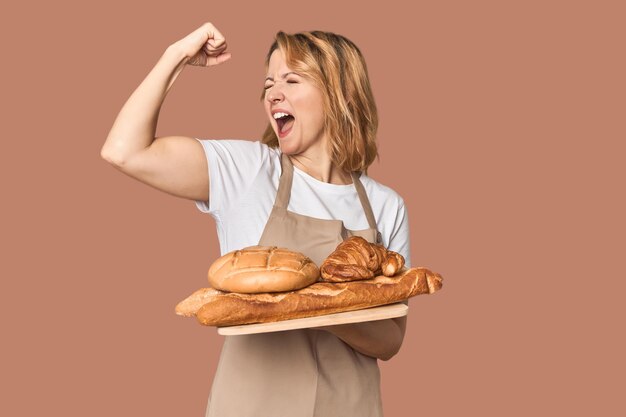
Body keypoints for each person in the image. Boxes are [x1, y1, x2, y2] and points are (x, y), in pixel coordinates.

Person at [101, 22, 412, 417]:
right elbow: (124, 151)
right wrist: (176, 55)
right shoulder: (248, 172)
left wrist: (309, 302)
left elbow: (390, 340)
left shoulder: (386, 205)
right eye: (267, 84)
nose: (272, 93)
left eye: (291, 79)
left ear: (341, 94)